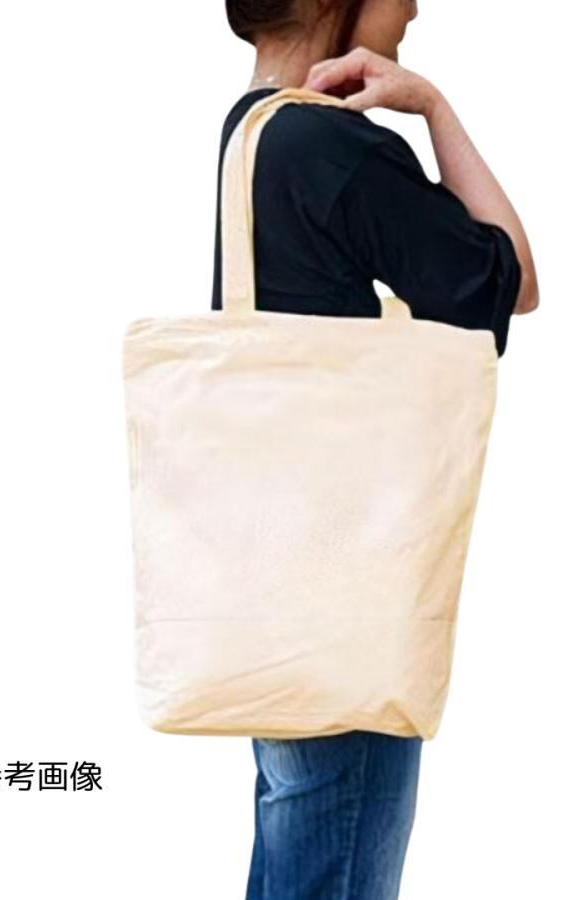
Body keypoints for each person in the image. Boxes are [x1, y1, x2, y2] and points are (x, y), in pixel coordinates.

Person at [211, 2, 540, 898]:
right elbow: (512, 279)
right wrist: (433, 107)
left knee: (297, 843)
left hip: (272, 580)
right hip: (346, 593)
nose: (416, 5)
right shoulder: (327, 144)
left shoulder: (250, 129)